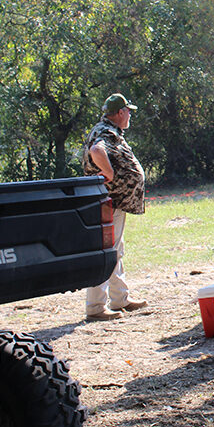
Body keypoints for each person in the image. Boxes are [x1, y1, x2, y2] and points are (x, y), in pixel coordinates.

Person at [82, 93, 149, 321]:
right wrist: (109, 173)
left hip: (113, 200)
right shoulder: (105, 132)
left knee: (115, 249)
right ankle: (96, 306)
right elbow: (96, 151)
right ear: (120, 112)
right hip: (107, 200)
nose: (130, 114)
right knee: (106, 250)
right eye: (128, 111)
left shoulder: (108, 130)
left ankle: (120, 298)